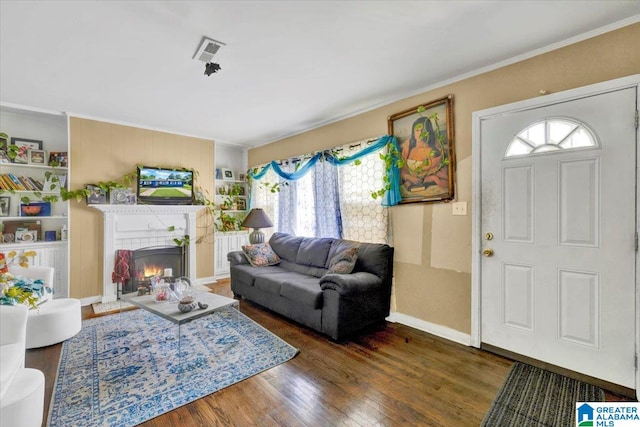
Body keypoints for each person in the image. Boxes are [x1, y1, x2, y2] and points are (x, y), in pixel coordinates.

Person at [400, 116, 448, 193]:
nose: (420, 133)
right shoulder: (409, 149)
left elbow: (437, 172)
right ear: (413, 132)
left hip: (426, 185)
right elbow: (403, 170)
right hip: (410, 185)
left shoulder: (431, 150)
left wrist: (430, 178)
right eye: (417, 130)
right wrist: (409, 177)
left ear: (428, 132)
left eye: (423, 130)